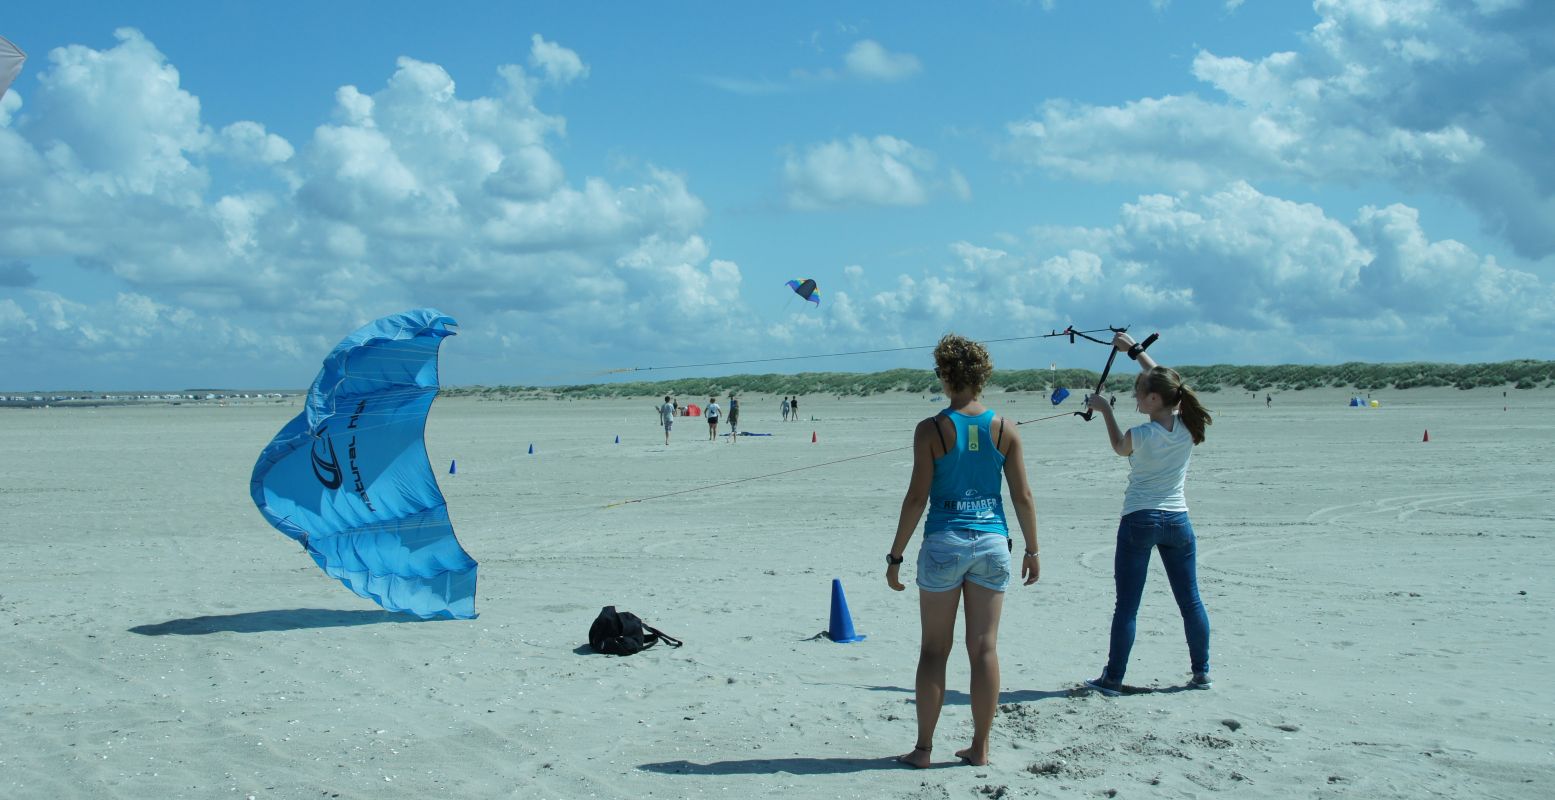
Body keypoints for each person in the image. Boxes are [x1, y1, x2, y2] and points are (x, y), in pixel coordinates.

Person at [886, 334, 1040, 768]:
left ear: (944, 375)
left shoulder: (931, 429)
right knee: (985, 649)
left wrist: (895, 556)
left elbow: (916, 498)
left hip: (944, 542)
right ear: (982, 375)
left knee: (935, 649)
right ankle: (981, 747)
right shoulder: (1005, 427)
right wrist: (1032, 548)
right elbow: (1023, 496)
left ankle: (923, 750)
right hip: (992, 542)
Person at [1082, 331, 1213, 696]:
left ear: (1155, 400)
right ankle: (1201, 672)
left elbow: (1119, 447)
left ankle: (1112, 679)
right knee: (1190, 600)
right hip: (1177, 522)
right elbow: (1171, 385)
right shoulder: (1188, 425)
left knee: (1127, 605)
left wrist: (1105, 410)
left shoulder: (1142, 434)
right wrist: (1136, 351)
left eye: (1140, 393)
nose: (1135, 398)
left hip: (1141, 519)